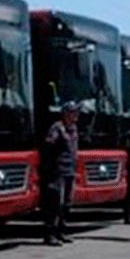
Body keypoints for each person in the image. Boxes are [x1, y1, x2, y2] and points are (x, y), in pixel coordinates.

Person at [41, 101, 79, 246]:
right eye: (72, 112)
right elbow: (48, 146)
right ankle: (49, 234)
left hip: (69, 171)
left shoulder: (73, 129)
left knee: (67, 204)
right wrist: (52, 166)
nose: (75, 115)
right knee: (55, 203)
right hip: (57, 172)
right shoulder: (57, 128)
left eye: (76, 112)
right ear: (65, 114)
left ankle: (61, 232)